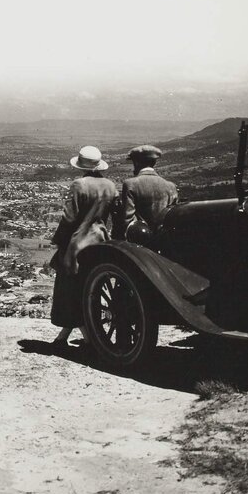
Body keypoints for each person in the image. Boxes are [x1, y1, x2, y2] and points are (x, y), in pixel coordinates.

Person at [49, 145, 118, 347]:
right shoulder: (110, 186)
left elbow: (69, 218)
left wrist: (59, 240)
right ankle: (65, 337)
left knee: (70, 290)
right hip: (101, 242)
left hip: (77, 244)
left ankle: (86, 340)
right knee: (90, 289)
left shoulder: (79, 184)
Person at [121, 145, 178, 234]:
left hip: (140, 241)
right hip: (163, 240)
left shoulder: (130, 184)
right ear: (154, 163)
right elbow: (173, 216)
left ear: (136, 163)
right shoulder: (171, 186)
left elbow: (127, 219)